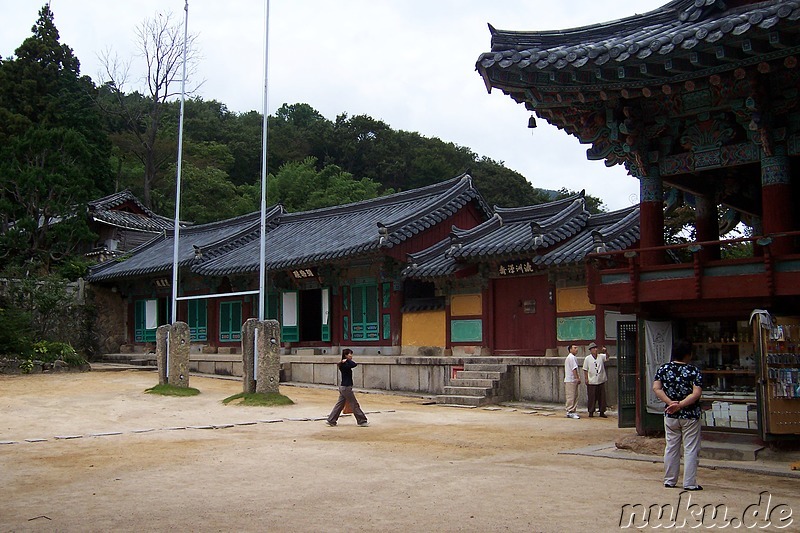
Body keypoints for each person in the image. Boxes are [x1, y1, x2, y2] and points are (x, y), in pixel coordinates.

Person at [652, 339, 703, 491]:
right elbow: (697, 393)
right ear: (688, 355)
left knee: (671, 447)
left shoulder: (664, 369)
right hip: (690, 415)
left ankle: (669, 480)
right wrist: (680, 404)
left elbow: (656, 388)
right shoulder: (694, 371)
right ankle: (689, 482)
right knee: (690, 448)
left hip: (670, 414)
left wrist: (671, 403)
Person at [326, 349, 369, 427]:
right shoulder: (344, 365)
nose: (351, 356)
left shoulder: (344, 363)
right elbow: (354, 364)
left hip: (344, 387)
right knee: (354, 404)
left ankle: (331, 420)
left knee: (339, 405)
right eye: (349, 354)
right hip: (346, 387)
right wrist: (347, 361)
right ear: (345, 355)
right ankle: (362, 420)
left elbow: (353, 364)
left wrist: (346, 360)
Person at [582, 342, 608, 418]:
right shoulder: (587, 358)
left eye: (596, 348)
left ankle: (602, 411)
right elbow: (585, 369)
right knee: (591, 397)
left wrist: (605, 351)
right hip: (592, 380)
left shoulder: (601, 356)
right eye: (593, 348)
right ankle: (591, 411)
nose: (595, 350)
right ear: (590, 350)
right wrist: (586, 378)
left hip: (600, 379)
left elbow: (607, 357)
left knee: (602, 397)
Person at [564, 344, 581, 419]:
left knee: (574, 395)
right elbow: (574, 369)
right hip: (571, 379)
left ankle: (572, 410)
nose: (576, 349)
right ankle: (570, 411)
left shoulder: (573, 357)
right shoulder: (571, 357)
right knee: (571, 396)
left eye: (576, 347)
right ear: (570, 349)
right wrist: (577, 378)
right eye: (574, 348)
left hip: (571, 379)